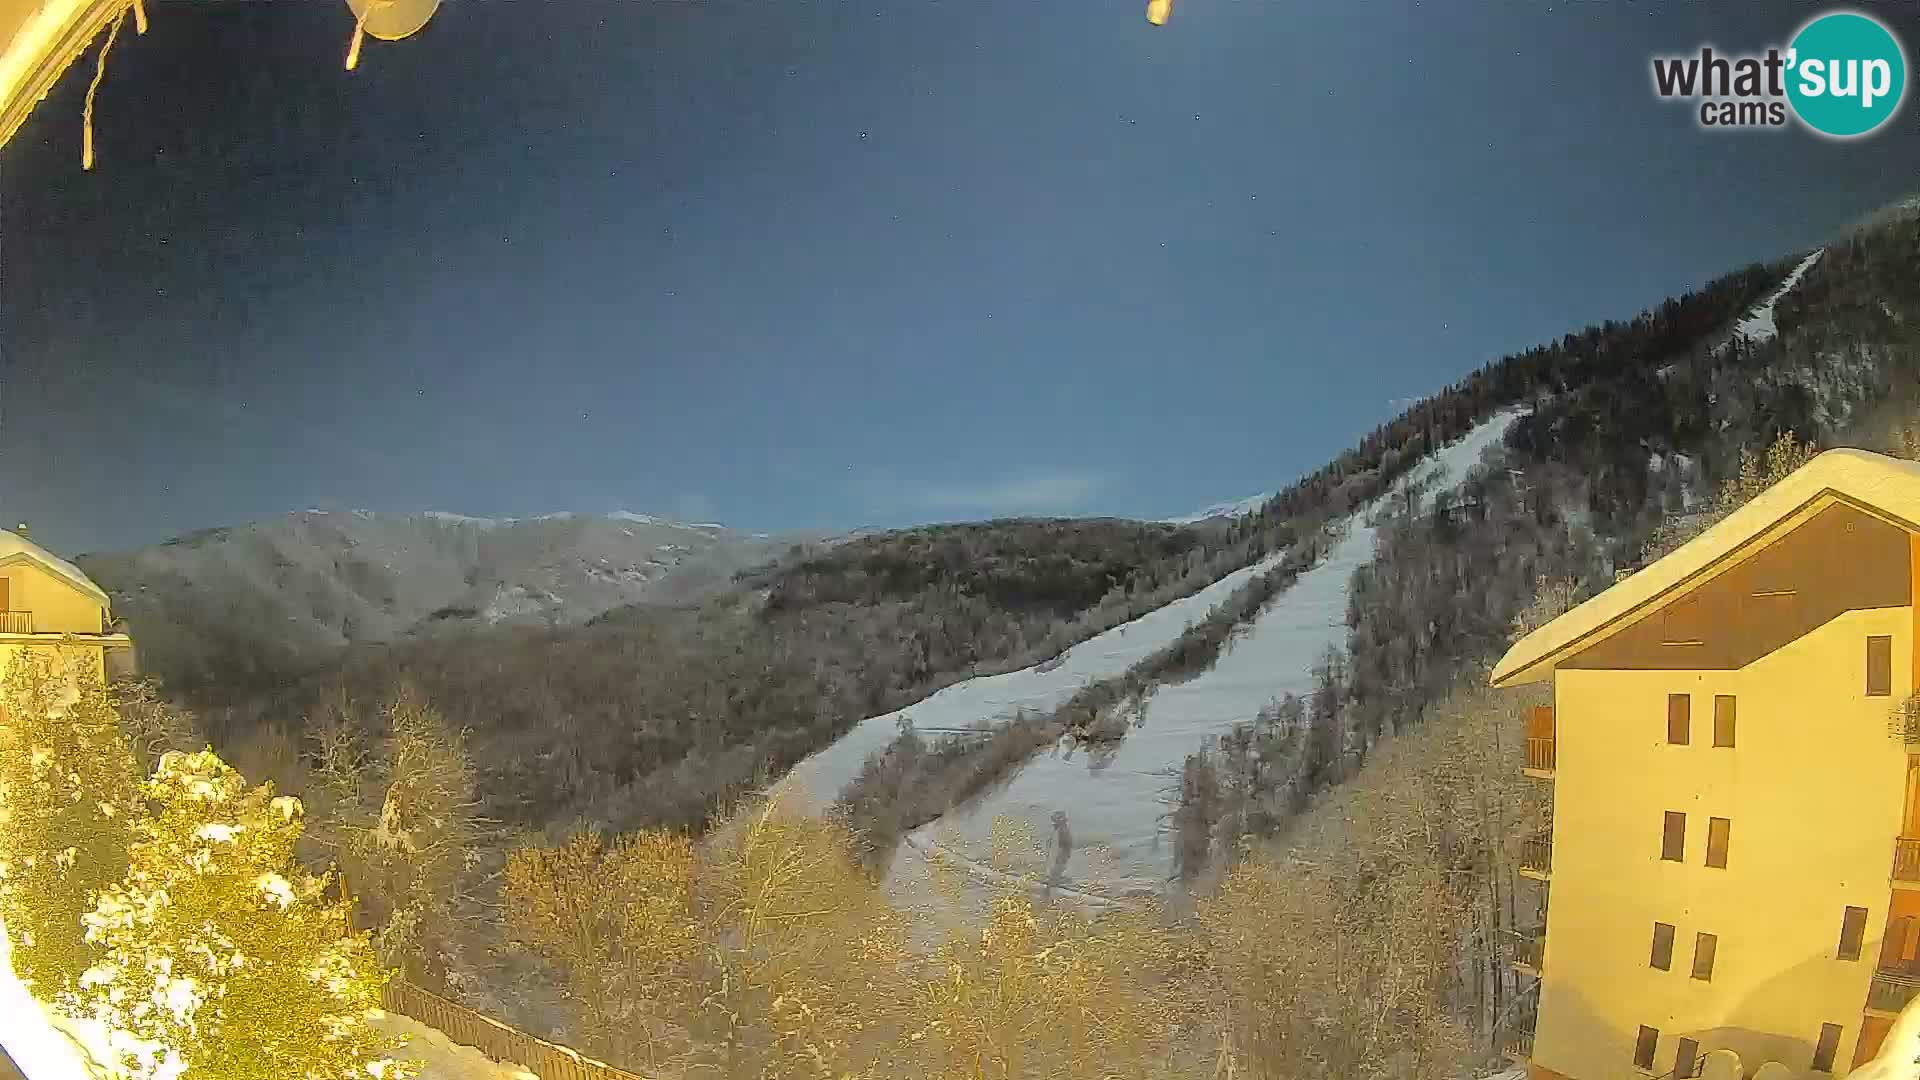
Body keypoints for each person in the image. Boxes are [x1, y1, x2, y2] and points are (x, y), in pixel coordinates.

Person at [1043, 810, 1073, 902]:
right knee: (1054, 876)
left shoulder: (1063, 831)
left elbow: (1065, 846)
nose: (1053, 823)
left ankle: (1050, 897)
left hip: (1059, 858)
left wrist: (1060, 859)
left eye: (1055, 820)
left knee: (1054, 877)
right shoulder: (1061, 830)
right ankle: (1049, 895)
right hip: (1059, 857)